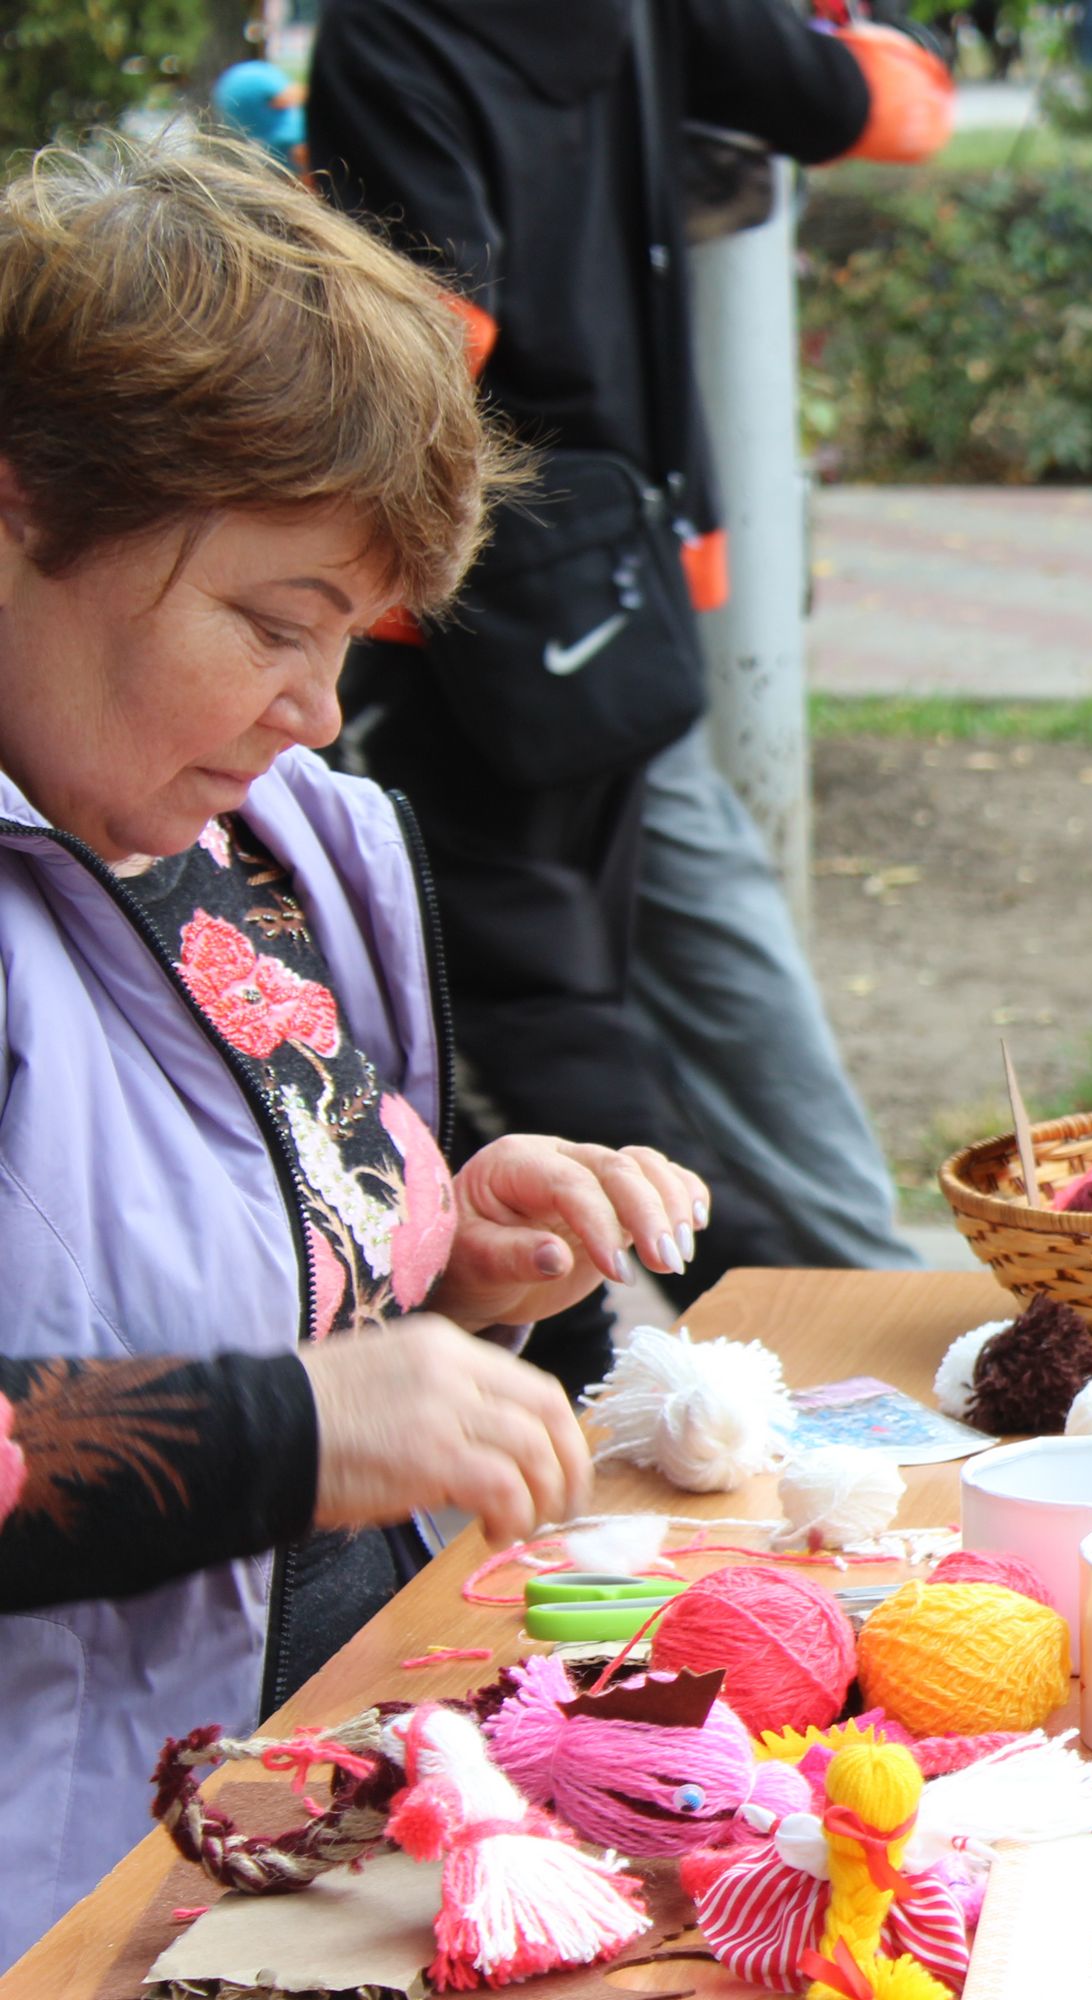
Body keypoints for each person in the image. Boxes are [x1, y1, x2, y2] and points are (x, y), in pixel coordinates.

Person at [0, 138, 719, 1964]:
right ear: (19, 516)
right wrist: (302, 1426)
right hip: (76, 1897)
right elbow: (259, 1424)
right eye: (269, 624)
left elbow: (252, 1266)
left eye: (346, 642)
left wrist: (456, 1268)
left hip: (311, 1811)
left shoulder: (261, 839)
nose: (318, 712)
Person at [306, 0, 952, 1393]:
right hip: (635, 600)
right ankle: (869, 1324)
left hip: (474, 619)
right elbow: (897, 108)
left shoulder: (391, 36)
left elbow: (424, 335)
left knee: (540, 1002)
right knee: (709, 970)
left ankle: (775, 1339)